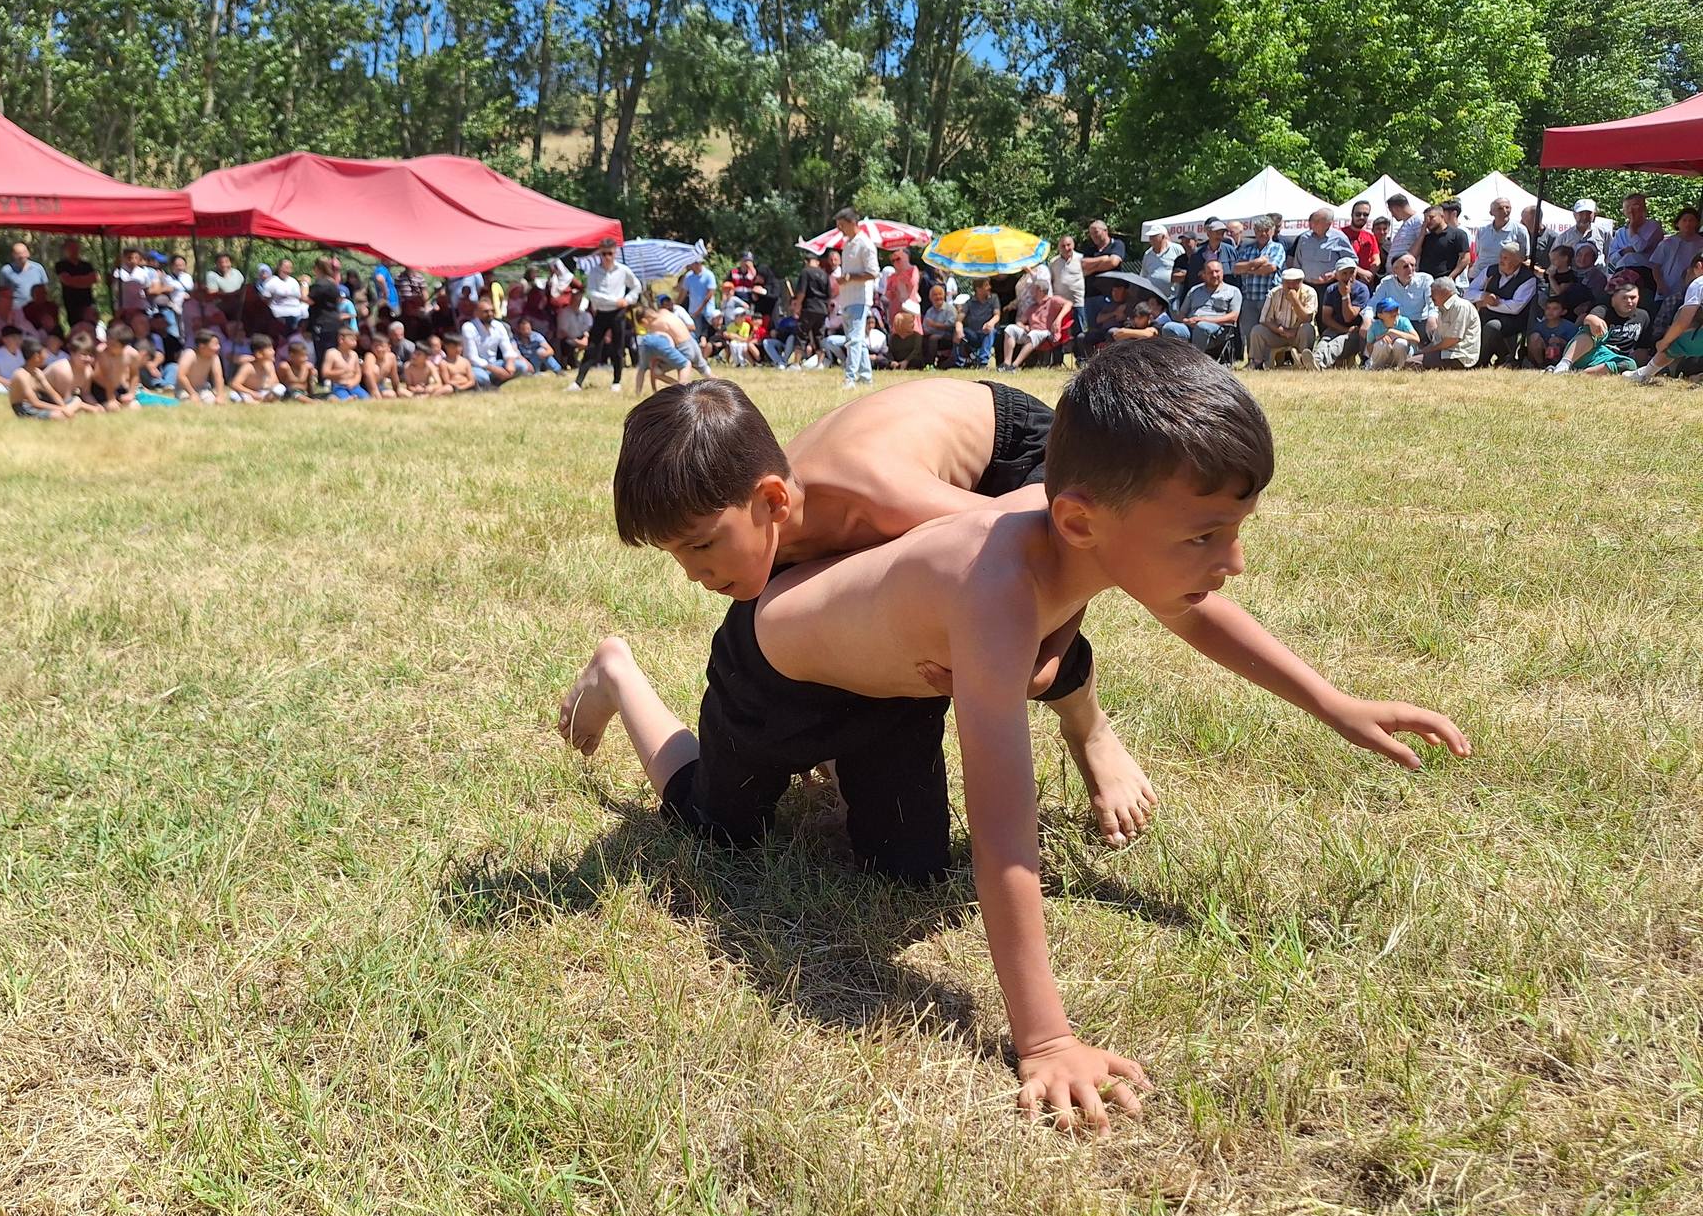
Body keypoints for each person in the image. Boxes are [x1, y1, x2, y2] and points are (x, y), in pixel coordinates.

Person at [559, 351, 1468, 1127]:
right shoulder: (993, 579)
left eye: (1229, 533)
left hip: (901, 657)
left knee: (907, 869)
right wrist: (1046, 1038)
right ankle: (620, 675)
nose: (1230, 563)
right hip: (775, 675)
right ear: (1079, 520)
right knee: (719, 825)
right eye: (1205, 537)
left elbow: (1190, 611)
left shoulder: (1070, 530)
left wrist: (1335, 703)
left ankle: (921, 736)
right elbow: (1004, 829)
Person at [571, 240, 642, 393]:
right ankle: (578, 382)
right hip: (602, 313)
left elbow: (637, 286)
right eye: (604, 254)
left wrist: (628, 300)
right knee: (592, 347)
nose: (607, 257)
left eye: (610, 253)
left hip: (618, 314)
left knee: (618, 347)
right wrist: (616, 301)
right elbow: (593, 294)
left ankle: (616, 381)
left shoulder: (623, 270)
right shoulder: (594, 272)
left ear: (615, 253)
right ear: (599, 254)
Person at [1624, 247, 1703, 382]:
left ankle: (1644, 374)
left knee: (1674, 345)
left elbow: (1683, 321)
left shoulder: (1699, 283)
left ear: (1699, 267)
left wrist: (1665, 341)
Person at [1552, 279, 1650, 376]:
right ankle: (1564, 364)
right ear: (1613, 300)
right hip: (1589, 351)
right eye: (1624, 298)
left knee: (1630, 364)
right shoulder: (1603, 309)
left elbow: (1642, 348)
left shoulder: (1643, 316)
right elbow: (1589, 318)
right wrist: (1593, 320)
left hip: (1611, 359)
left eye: (1633, 298)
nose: (1629, 301)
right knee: (1590, 329)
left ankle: (1577, 374)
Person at [831, 208, 880, 387]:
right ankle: (866, 377)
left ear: (852, 223)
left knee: (855, 339)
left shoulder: (865, 244)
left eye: (842, 225)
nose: (840, 230)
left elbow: (873, 272)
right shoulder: (848, 244)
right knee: (857, 340)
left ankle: (850, 378)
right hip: (847, 298)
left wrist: (850, 277)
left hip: (860, 297)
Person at [1469, 242, 1538, 366]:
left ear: (1517, 261)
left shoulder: (1528, 279)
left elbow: (1515, 307)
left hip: (1514, 319)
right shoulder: (1491, 270)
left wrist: (1487, 304)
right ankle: (1503, 357)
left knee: (1492, 327)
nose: (1501, 260)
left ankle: (1479, 362)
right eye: (1500, 256)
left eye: (1505, 258)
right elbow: (1468, 292)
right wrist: (1482, 296)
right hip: (1487, 313)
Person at [1249, 269, 1317, 369]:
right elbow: (1265, 319)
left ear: (1301, 282)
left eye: (1295, 282)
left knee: (1307, 328)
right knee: (1257, 330)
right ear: (1282, 282)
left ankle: (1303, 360)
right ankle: (1257, 363)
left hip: (1299, 334)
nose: (1291, 285)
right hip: (1278, 334)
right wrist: (1282, 331)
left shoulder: (1310, 293)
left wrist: (1295, 301)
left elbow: (1307, 318)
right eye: (1287, 282)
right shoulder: (1274, 293)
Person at [1232, 217, 1285, 346]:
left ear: (1272, 231)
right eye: (1259, 230)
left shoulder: (1277, 248)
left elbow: (1270, 268)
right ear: (1254, 232)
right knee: (1249, 332)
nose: (1263, 234)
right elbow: (1236, 269)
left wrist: (1248, 269)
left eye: (1266, 230)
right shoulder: (1248, 249)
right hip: (1249, 298)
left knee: (1267, 332)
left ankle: (1267, 362)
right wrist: (1256, 262)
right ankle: (1253, 360)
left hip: (1268, 298)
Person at [633, 298, 700, 395]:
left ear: (644, 320)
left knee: (644, 368)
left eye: (643, 326)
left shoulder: (653, 327)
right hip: (669, 345)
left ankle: (638, 392)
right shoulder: (663, 315)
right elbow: (668, 338)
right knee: (685, 364)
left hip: (647, 344)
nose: (645, 328)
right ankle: (682, 390)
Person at [1413, 275, 1480, 371]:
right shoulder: (1442, 308)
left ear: (1445, 292)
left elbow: (1452, 340)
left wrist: (1427, 351)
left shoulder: (1461, 306)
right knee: (1411, 359)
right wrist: (1422, 351)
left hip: (1458, 356)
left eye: (1433, 292)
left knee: (1411, 363)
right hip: (1444, 353)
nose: (1431, 296)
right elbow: (1437, 340)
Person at [1179, 257, 1242, 356]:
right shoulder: (1194, 290)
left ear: (1222, 272)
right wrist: (1185, 321)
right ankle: (1177, 361)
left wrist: (1204, 320)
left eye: (1217, 271)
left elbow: (1233, 316)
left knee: (1202, 327)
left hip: (1217, 328)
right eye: (1210, 272)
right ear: (1204, 275)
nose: (1214, 275)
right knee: (1170, 328)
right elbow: (1182, 313)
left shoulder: (1233, 291)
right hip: (1191, 325)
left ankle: (1196, 361)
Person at [7, 336, 75, 419]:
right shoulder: (21, 375)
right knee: (59, 415)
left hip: (38, 405)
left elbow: (50, 391)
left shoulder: (37, 372)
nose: (47, 355)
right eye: (45, 352)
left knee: (75, 400)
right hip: (25, 409)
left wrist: (63, 406)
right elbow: (35, 403)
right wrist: (62, 409)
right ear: (36, 356)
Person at [1470, 197, 1529, 288]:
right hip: (1478, 275)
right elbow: (1478, 252)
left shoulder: (1520, 230)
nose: (1505, 211)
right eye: (1500, 208)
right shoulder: (1482, 230)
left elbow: (1524, 257)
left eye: (1507, 207)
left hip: (1502, 278)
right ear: (1491, 212)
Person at [1649, 207, 1702, 300]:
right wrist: (1660, 284)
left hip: (1694, 289)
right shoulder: (1667, 243)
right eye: (1684, 220)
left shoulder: (1701, 243)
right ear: (1677, 223)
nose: (1688, 223)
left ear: (1697, 223)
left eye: (1691, 220)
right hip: (1668, 288)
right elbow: (1655, 266)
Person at [1365, 297, 1424, 370]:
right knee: (1381, 344)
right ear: (1380, 315)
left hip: (1402, 355)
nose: (1394, 313)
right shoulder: (1374, 326)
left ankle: (1402, 367)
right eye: (1389, 311)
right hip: (1383, 358)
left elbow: (1416, 339)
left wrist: (1394, 332)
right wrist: (1382, 338)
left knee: (1400, 343)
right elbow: (1369, 348)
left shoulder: (1403, 321)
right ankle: (1377, 368)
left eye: (1396, 309)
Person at [1523, 297, 1579, 368]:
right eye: (1548, 308)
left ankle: (1561, 365)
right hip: (1542, 355)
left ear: (1563, 312)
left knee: (1555, 343)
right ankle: (1540, 365)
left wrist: (1561, 341)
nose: (1550, 311)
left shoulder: (1570, 327)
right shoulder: (1539, 326)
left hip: (1562, 356)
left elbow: (1575, 346)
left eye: (1555, 309)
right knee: (1534, 337)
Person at [177, 329, 230, 403]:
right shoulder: (190, 354)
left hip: (203, 389)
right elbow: (181, 376)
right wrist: (192, 394)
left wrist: (220, 395)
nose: (218, 347)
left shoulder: (214, 357)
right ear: (202, 346)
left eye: (218, 344)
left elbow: (218, 377)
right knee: (191, 403)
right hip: (185, 390)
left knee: (213, 403)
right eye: (215, 344)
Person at [54, 239, 99, 326]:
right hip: (72, 303)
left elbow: (95, 278)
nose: (74, 250)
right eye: (71, 248)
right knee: (76, 325)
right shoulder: (61, 265)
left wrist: (76, 280)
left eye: (76, 248)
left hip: (88, 301)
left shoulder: (86, 265)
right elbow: (67, 280)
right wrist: (85, 280)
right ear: (65, 250)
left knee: (92, 324)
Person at [230, 333, 283, 401]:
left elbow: (275, 382)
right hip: (247, 392)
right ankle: (255, 400)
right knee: (234, 396)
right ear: (259, 354)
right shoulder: (248, 367)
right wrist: (252, 393)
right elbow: (235, 384)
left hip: (262, 392)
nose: (273, 352)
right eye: (270, 350)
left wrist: (268, 384)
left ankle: (263, 400)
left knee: (280, 388)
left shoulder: (270, 365)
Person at [1556, 198, 1613, 262]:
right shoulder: (1563, 237)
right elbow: (1556, 260)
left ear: (1594, 214)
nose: (1585, 217)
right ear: (1574, 214)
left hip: (1597, 271)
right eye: (1581, 213)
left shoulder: (1604, 233)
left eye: (1589, 213)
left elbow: (1611, 256)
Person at [323, 325, 371, 399]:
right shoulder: (331, 353)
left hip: (354, 385)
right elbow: (325, 373)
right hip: (339, 386)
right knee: (345, 398)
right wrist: (340, 372)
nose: (355, 342)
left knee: (366, 398)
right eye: (352, 340)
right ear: (341, 339)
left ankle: (354, 396)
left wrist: (354, 382)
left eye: (355, 340)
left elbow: (358, 373)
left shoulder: (354, 354)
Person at [0, 240, 49, 307]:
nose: (22, 255)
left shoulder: (38, 268)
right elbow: (4, 293)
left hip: (37, 309)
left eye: (24, 252)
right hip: (17, 311)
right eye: (18, 253)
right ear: (13, 255)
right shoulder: (6, 270)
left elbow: (45, 289)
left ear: (28, 253)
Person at [0, 322, 27, 392]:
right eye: (14, 338)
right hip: (3, 384)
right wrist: (9, 383)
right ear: (5, 339)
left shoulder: (20, 352)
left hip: (17, 383)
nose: (18, 341)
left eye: (19, 338)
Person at [1341, 201, 1381, 281]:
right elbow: (1337, 258)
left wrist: (1370, 274)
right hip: (1345, 280)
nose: (1362, 217)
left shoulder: (1370, 237)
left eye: (1365, 215)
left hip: (1366, 282)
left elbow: (1376, 259)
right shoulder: (1340, 234)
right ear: (1352, 214)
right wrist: (1360, 271)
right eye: (1358, 214)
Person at [1136, 226, 1180, 295]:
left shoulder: (1176, 249)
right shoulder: (1148, 254)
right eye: (1150, 237)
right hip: (1154, 297)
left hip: (1173, 296)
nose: (1151, 239)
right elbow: (1144, 274)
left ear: (1163, 237)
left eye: (1154, 237)